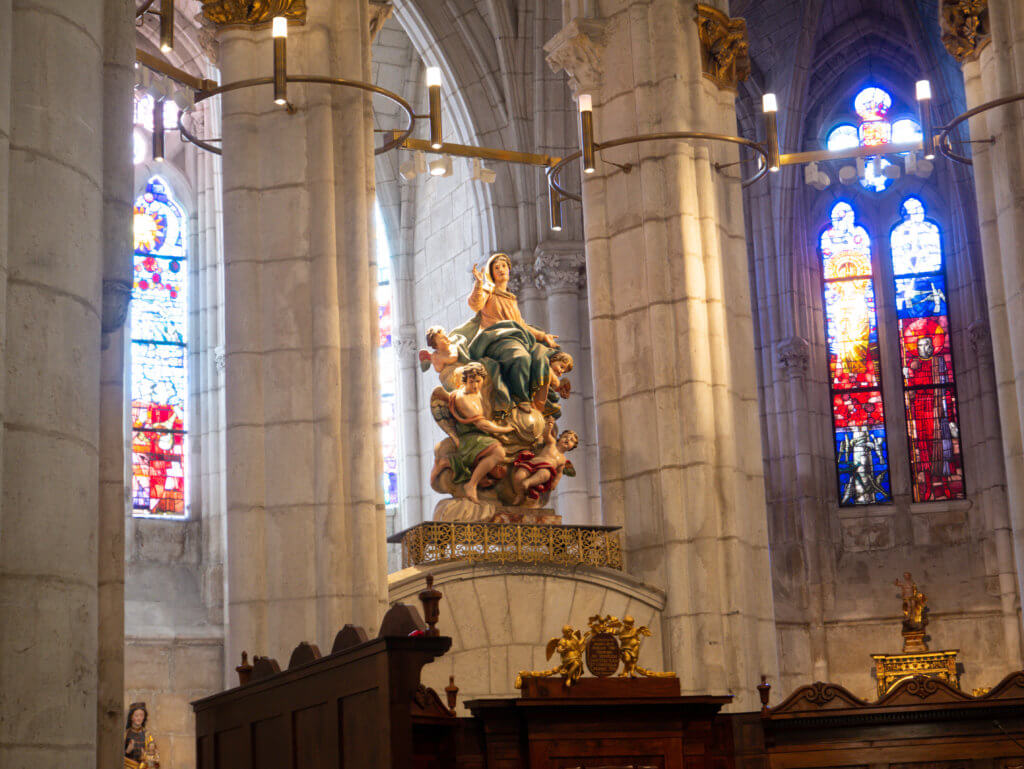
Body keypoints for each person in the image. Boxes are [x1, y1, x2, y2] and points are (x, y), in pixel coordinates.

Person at [454, 253, 559, 414]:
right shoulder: (488, 292)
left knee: (541, 355)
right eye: (496, 268)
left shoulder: (510, 298)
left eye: (503, 266)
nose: (501, 270)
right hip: (496, 339)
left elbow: (521, 325)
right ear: (492, 273)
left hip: (517, 338)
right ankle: (521, 398)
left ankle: (540, 400)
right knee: (520, 357)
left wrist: (543, 336)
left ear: (509, 270)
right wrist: (479, 284)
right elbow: (475, 304)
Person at [446, 363, 515, 502]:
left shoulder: (478, 393)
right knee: (499, 452)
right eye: (472, 381)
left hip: (482, 436)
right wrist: (505, 429)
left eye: (478, 381)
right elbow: (482, 424)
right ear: (465, 381)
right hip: (469, 438)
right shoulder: (461, 398)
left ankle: (483, 475)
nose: (476, 385)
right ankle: (471, 484)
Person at [511, 418, 578, 506]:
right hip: (533, 463)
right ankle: (519, 494)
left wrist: (555, 482)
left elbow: (559, 473)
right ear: (560, 438)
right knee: (518, 476)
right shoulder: (552, 443)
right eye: (565, 437)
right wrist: (548, 427)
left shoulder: (563, 460)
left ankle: (528, 482)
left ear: (572, 447)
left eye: (572, 440)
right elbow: (546, 435)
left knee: (545, 474)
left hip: (545, 469)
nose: (568, 440)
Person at [124, 702, 160, 769]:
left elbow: (154, 757)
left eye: (141, 715)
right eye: (136, 715)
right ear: (131, 717)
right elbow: (117, 756)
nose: (139, 718)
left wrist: (146, 756)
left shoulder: (147, 735)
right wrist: (127, 751)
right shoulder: (125, 734)